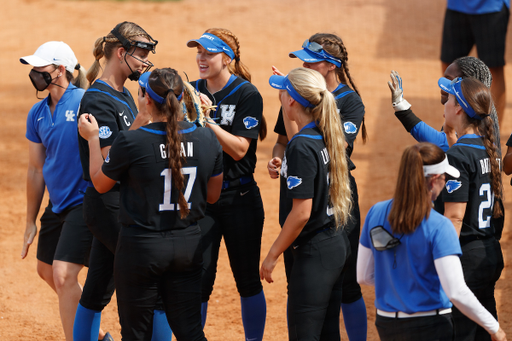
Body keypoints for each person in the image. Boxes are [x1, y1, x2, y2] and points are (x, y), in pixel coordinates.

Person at [78, 68, 223, 341]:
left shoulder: (132, 141)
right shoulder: (207, 139)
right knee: (190, 331)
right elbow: (213, 196)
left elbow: (100, 183)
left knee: (136, 334)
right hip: (188, 245)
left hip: (141, 248)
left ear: (146, 100)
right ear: (182, 98)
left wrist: (94, 139)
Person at [73, 22, 172, 341]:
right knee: (155, 284)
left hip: (122, 205)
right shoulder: (98, 100)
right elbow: (108, 161)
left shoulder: (124, 94)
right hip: (108, 205)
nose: (145, 63)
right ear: (120, 53)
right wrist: (142, 121)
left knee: (97, 287)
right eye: (141, 55)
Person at [267, 33, 367, 341]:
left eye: (309, 61)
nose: (303, 64)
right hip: (306, 201)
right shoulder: (303, 97)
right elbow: (285, 141)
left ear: (329, 66)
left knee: (346, 287)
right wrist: (277, 159)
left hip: (335, 205)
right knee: (305, 292)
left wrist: (290, 95)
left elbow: (327, 145)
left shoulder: (349, 102)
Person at [357, 142, 506, 341]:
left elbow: (364, 276)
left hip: (387, 324)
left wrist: (400, 280)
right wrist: (494, 328)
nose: (445, 182)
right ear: (434, 179)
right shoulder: (440, 226)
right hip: (431, 325)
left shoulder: (375, 213)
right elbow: (455, 290)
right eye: (445, 177)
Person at [19, 41, 107, 341]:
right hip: (57, 205)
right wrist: (30, 221)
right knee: (46, 270)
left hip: (84, 201)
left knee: (64, 274)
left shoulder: (85, 101)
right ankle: (94, 335)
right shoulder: (38, 112)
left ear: (60, 70)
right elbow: (35, 169)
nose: (35, 73)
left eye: (41, 68)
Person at [186, 28, 267, 340]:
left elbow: (239, 149)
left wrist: (205, 120)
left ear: (228, 59)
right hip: (203, 200)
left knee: (247, 279)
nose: (201, 58)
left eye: (209, 53)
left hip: (240, 199)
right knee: (199, 280)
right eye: (199, 52)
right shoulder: (190, 90)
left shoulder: (247, 94)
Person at [438, 76, 505, 341]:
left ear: (458, 109)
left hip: (466, 259)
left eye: (449, 98)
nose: (444, 103)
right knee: (484, 328)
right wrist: (451, 136)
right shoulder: (490, 148)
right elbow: (471, 171)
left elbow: (454, 218)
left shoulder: (457, 156)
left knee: (462, 333)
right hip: (489, 251)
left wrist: (442, 263)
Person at [388, 56, 501, 154]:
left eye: (450, 81)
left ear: (467, 86)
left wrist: (402, 108)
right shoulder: (481, 112)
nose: (442, 88)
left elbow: (441, 143)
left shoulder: (473, 122)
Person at [440, 0, 509, 123]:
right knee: (449, 68)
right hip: (457, 5)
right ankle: (453, 127)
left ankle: (492, 134)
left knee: (493, 70)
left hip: (491, 7)